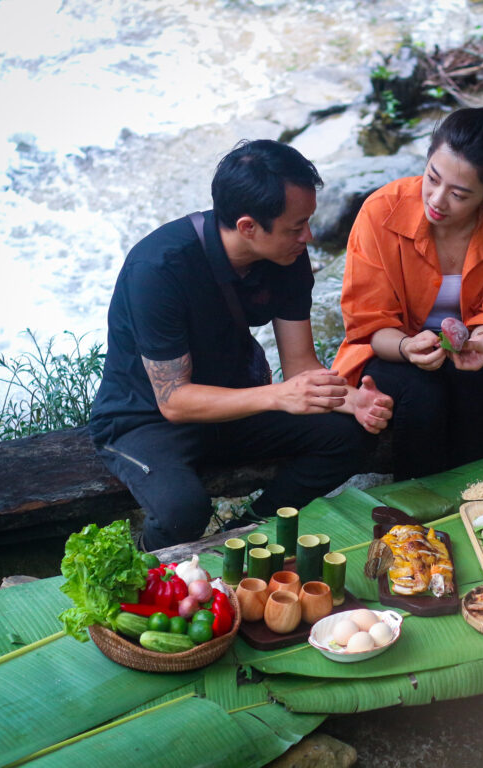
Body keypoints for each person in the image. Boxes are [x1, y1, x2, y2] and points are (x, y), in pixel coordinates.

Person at [90, 140, 393, 550]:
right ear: (249, 227)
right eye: (296, 226)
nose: (308, 236)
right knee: (182, 512)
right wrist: (277, 395)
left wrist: (351, 399)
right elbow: (174, 400)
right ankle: (147, 562)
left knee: (348, 435)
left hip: (236, 404)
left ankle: (251, 530)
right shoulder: (159, 269)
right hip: (144, 420)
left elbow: (301, 363)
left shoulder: (286, 255)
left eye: (308, 221)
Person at [332, 102, 483, 480]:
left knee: (479, 381)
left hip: (468, 355)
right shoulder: (381, 211)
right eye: (432, 177)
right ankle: (414, 511)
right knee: (423, 392)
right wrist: (405, 347)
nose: (436, 199)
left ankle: (475, 495)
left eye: (459, 195)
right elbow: (367, 325)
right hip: (389, 352)